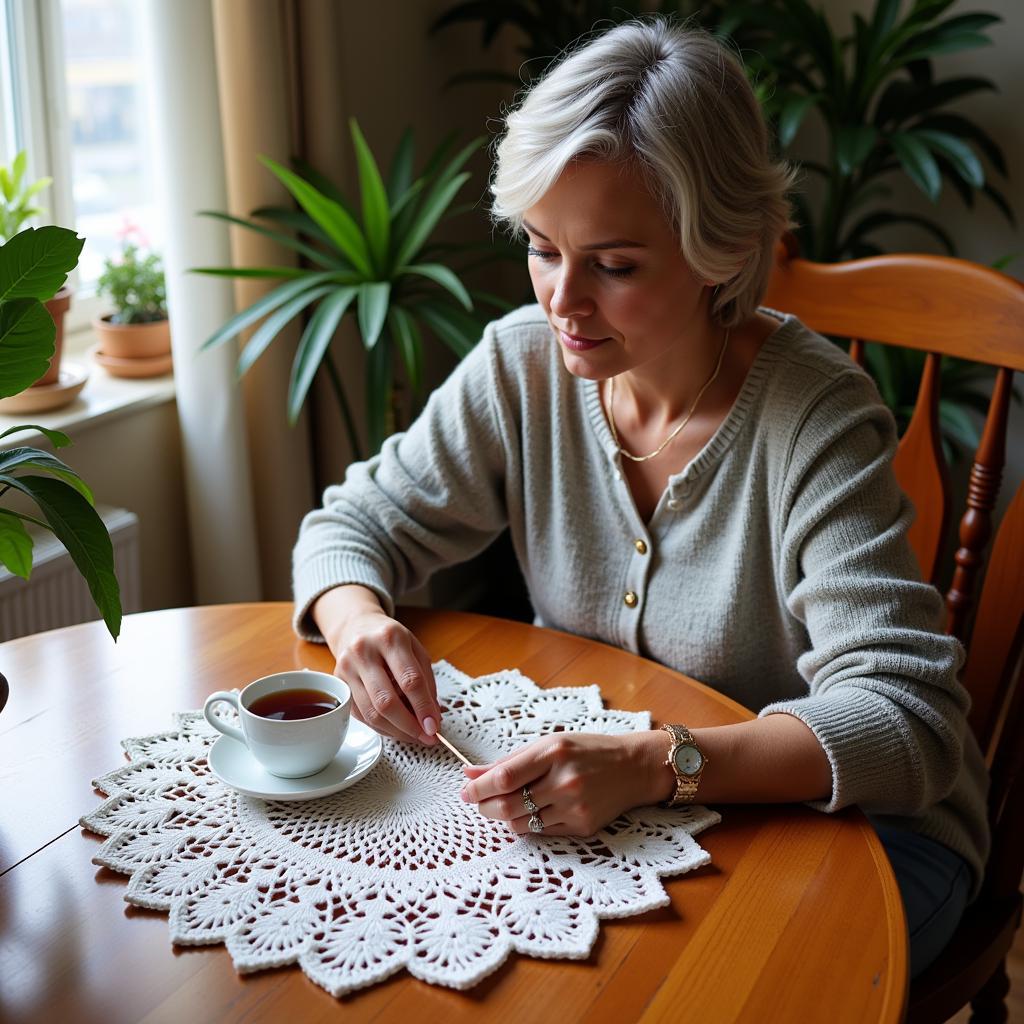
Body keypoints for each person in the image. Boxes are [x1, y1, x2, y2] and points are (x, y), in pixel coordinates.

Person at [292, 19, 989, 978]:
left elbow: (907, 721)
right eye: (542, 248)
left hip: (860, 836)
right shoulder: (523, 368)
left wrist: (666, 763)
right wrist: (356, 619)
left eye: (614, 266)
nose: (563, 302)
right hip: (622, 820)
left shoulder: (815, 418)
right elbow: (352, 524)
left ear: (723, 251)